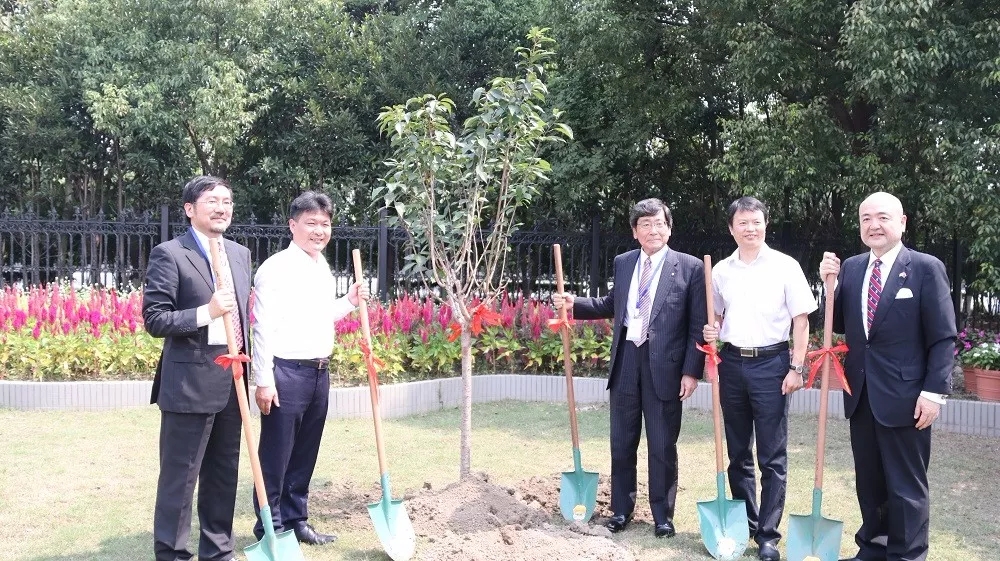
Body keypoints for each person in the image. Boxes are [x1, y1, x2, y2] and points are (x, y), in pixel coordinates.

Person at [552, 198, 706, 538]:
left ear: (669, 228)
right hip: (626, 362)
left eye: (659, 223)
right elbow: (612, 304)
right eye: (645, 225)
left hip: (665, 368)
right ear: (635, 232)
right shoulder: (624, 263)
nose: (653, 230)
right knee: (621, 443)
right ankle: (621, 510)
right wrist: (574, 304)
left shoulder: (690, 267)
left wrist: (691, 371)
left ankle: (662, 517)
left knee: (662, 446)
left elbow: (698, 324)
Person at [819, 192, 955, 561]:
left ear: (902, 222)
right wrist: (829, 287)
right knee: (870, 481)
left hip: (907, 398)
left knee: (906, 485)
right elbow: (840, 324)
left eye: (882, 217)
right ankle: (874, 549)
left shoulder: (925, 268)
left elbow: (943, 337)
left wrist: (933, 393)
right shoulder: (852, 268)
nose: (873, 225)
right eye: (865, 218)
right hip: (861, 394)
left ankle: (907, 555)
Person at [251, 191, 368, 545]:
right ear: (292, 225)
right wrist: (264, 380)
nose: (319, 231)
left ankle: (296, 519)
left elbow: (319, 315)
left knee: (305, 453)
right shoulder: (275, 269)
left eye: (325, 224)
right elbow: (262, 327)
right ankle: (270, 527)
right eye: (311, 223)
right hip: (286, 373)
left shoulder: (322, 267)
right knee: (276, 454)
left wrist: (348, 302)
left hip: (319, 372)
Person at [144, 176, 251, 561]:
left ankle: (218, 551)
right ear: (190, 209)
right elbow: (155, 319)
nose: (222, 208)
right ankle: (172, 553)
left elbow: (243, 317)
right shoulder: (170, 254)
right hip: (189, 383)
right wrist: (207, 312)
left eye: (227, 201)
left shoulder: (240, 254)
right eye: (212, 201)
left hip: (232, 381)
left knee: (223, 474)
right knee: (181, 477)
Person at [702, 196, 814, 561]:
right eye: (743, 222)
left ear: (766, 224)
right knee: (738, 453)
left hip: (772, 365)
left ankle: (768, 535)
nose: (750, 228)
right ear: (731, 228)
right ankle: (747, 524)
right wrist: (711, 328)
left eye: (756, 222)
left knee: (771, 456)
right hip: (732, 363)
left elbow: (801, 321)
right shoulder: (721, 271)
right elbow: (716, 316)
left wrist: (797, 367)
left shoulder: (785, 266)